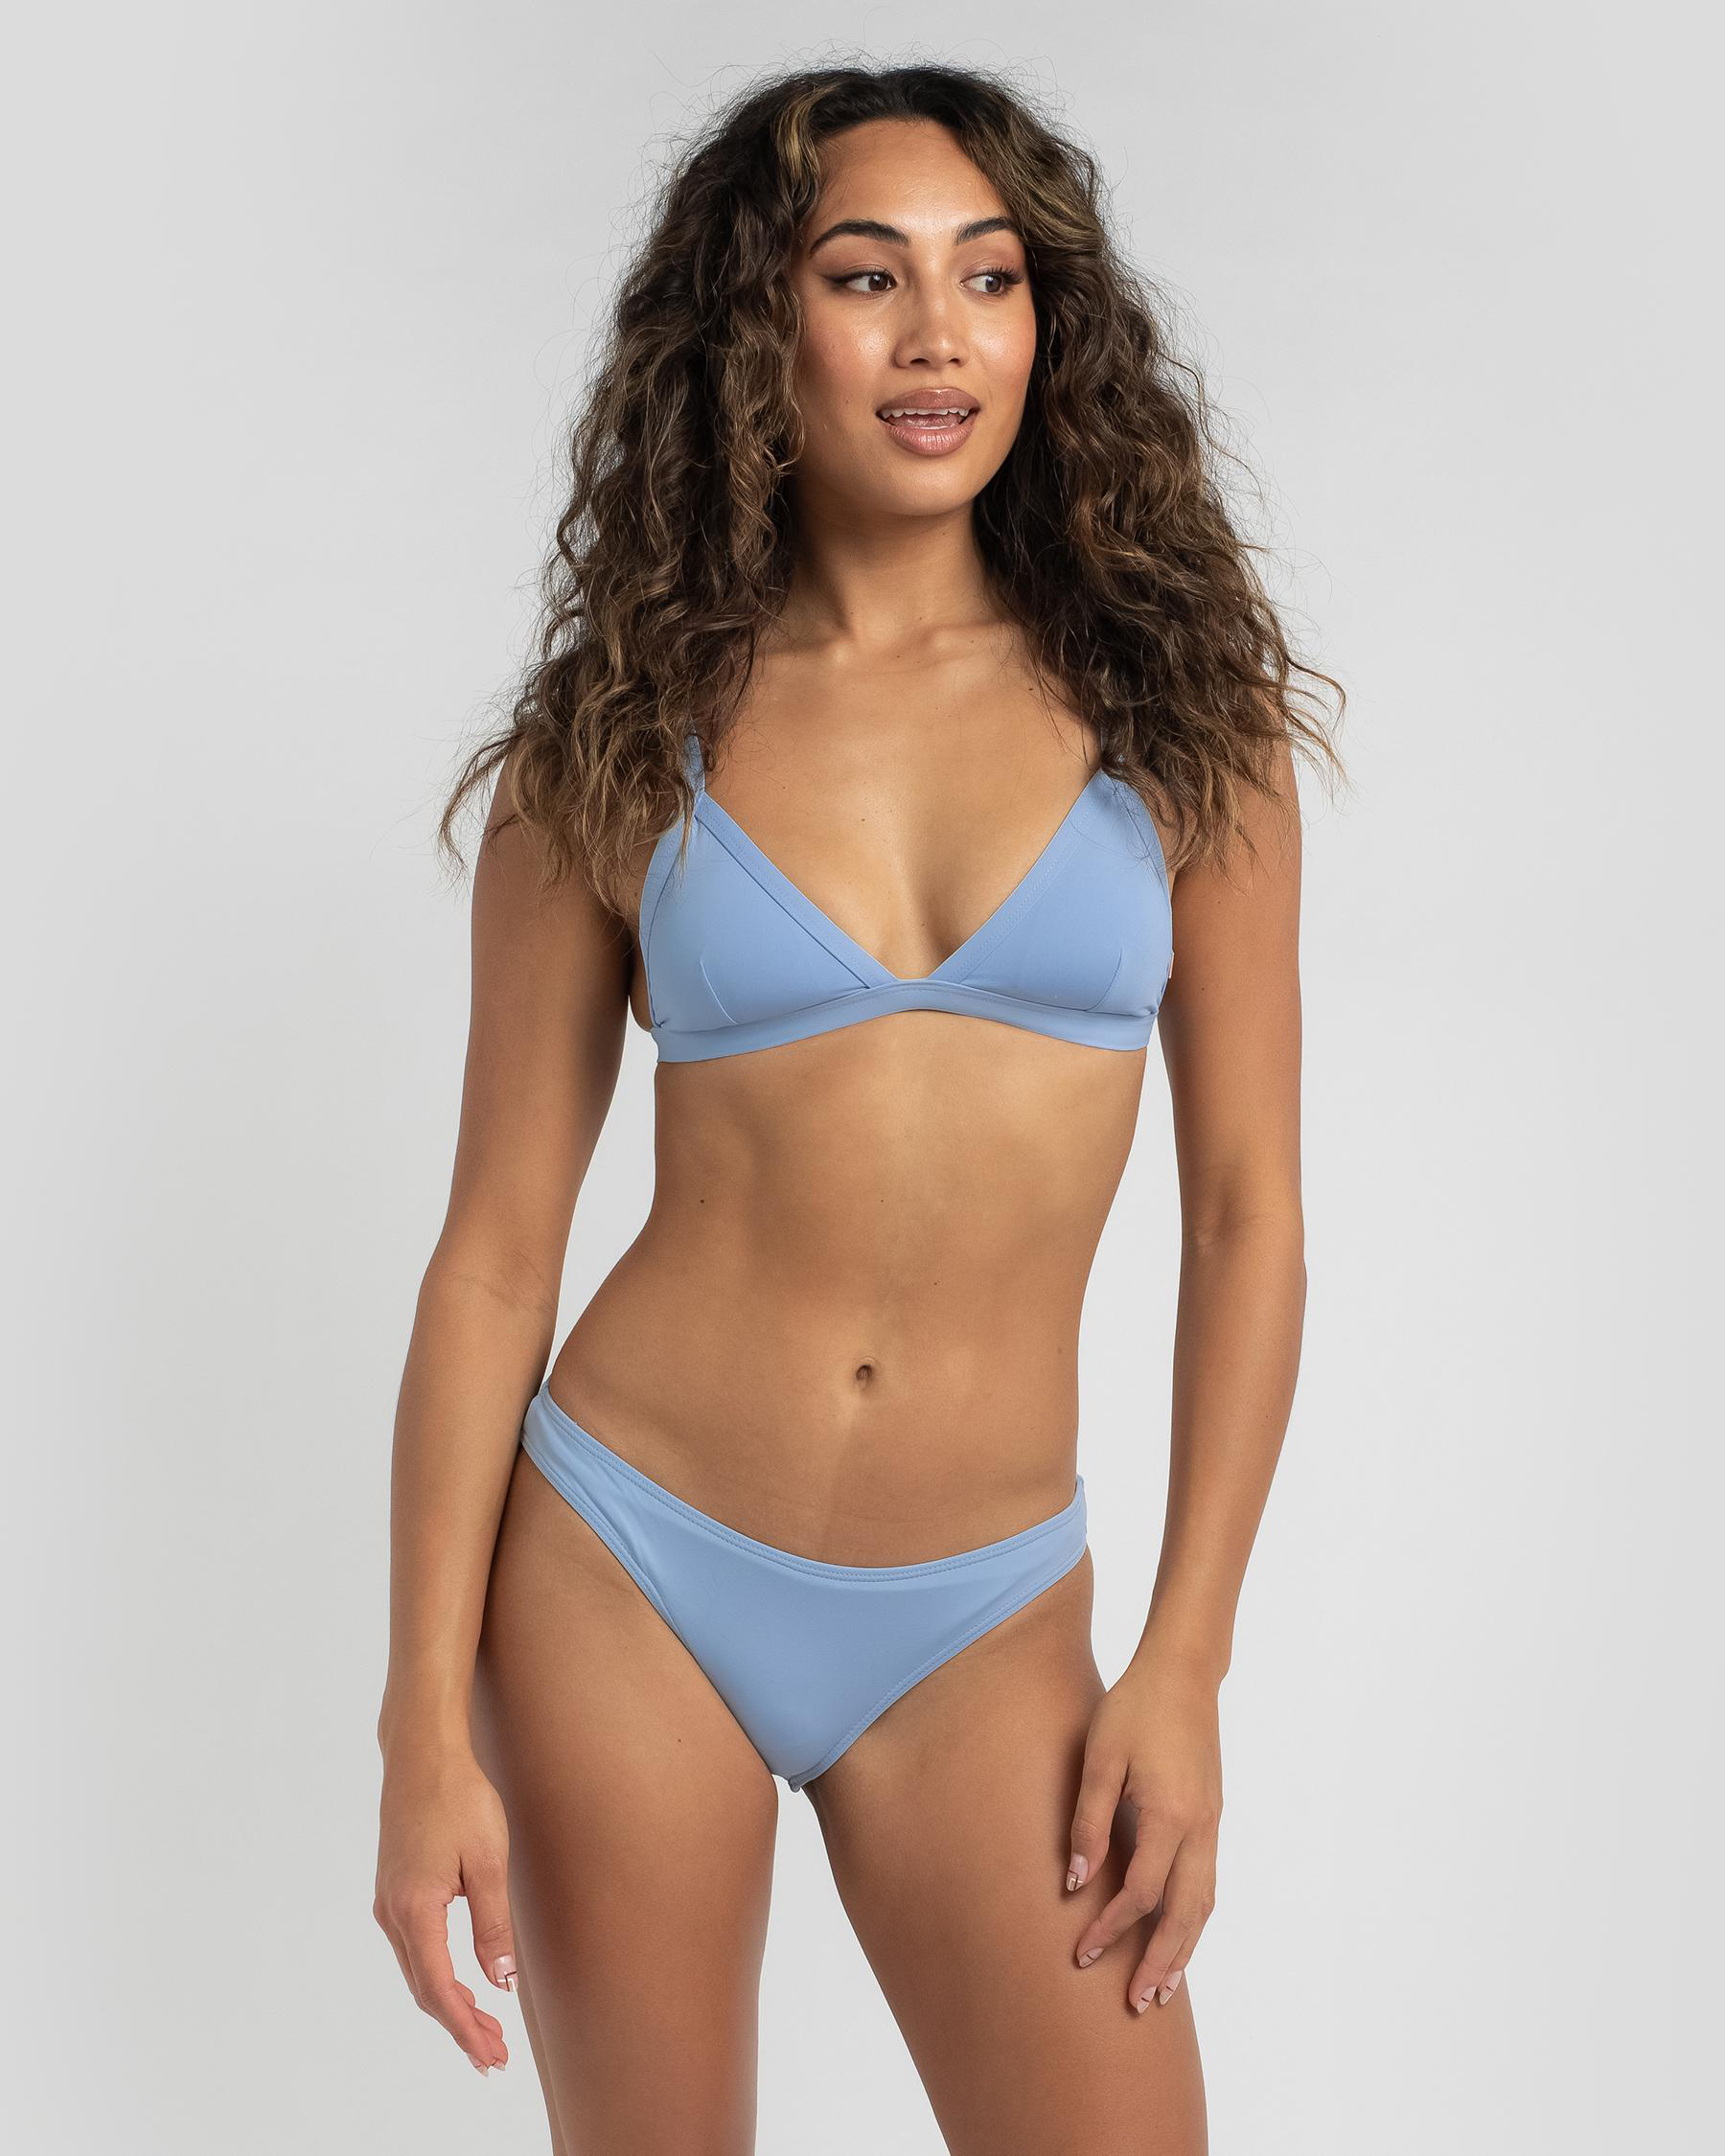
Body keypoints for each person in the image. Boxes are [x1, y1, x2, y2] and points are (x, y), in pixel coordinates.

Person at [374, 59, 1342, 2156]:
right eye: (866, 275)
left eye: (990, 279)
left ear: (1048, 328)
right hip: (630, 1562)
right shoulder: (618, 737)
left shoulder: (1185, 729)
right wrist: (416, 1729)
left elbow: (1250, 1214)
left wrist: (1185, 1661)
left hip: (987, 1610)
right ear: (759, 328)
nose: (937, 337)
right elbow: (494, 1260)